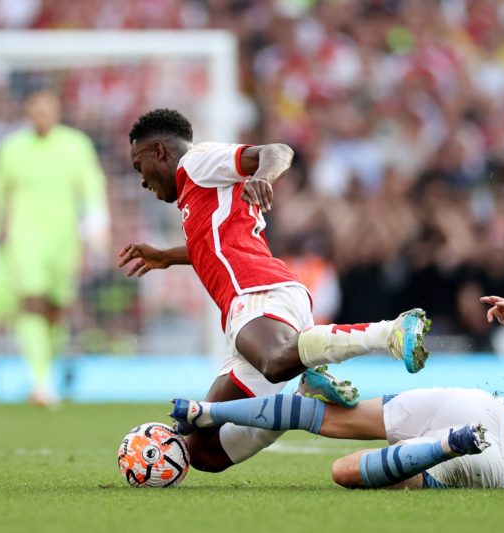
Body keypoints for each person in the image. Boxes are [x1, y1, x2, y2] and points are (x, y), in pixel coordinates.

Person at [117, 108, 431, 473]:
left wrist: (262, 176)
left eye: (139, 167)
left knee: (276, 361)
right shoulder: (197, 194)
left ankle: (390, 332)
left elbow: (277, 150)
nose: (142, 181)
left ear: (159, 151)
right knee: (202, 451)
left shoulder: (196, 162)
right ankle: (300, 402)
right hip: (251, 308)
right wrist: (167, 256)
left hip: (259, 293)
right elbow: (212, 246)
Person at [170, 295, 504, 489]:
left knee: (326, 420)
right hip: (490, 453)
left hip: (477, 411)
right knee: (346, 472)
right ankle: (445, 446)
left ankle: (208, 412)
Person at [0, 90, 110, 407]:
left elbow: (92, 186)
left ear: (57, 111)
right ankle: (40, 382)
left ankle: (45, 373)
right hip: (25, 237)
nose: (41, 115)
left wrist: (96, 222)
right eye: (35, 109)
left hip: (64, 239)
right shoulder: (12, 148)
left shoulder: (76, 144)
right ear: (28, 111)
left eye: (47, 109)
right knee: (31, 302)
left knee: (56, 308)